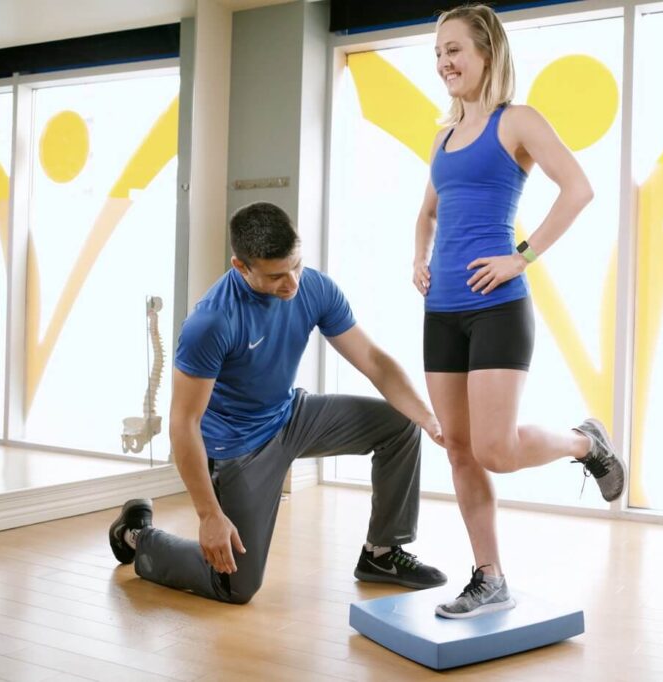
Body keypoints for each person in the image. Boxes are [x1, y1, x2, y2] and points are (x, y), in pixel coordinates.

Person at [108, 201, 447, 604]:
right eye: (275, 276)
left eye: (296, 266)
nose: (292, 284)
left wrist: (428, 416)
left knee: (400, 424)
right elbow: (184, 423)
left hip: (290, 416)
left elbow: (373, 360)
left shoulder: (314, 287)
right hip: (238, 446)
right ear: (241, 267)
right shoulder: (212, 322)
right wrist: (208, 515)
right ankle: (137, 535)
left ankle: (382, 554)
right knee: (236, 586)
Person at [413, 4, 626, 619]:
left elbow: (579, 188)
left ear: (487, 52)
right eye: (438, 54)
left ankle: (584, 443)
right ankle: (489, 576)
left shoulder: (518, 122)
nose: (445, 63)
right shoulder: (443, 136)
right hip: (442, 310)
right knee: (457, 447)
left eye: (454, 50)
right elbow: (426, 212)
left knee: (495, 451)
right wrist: (418, 260)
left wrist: (520, 257)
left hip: (497, 308)